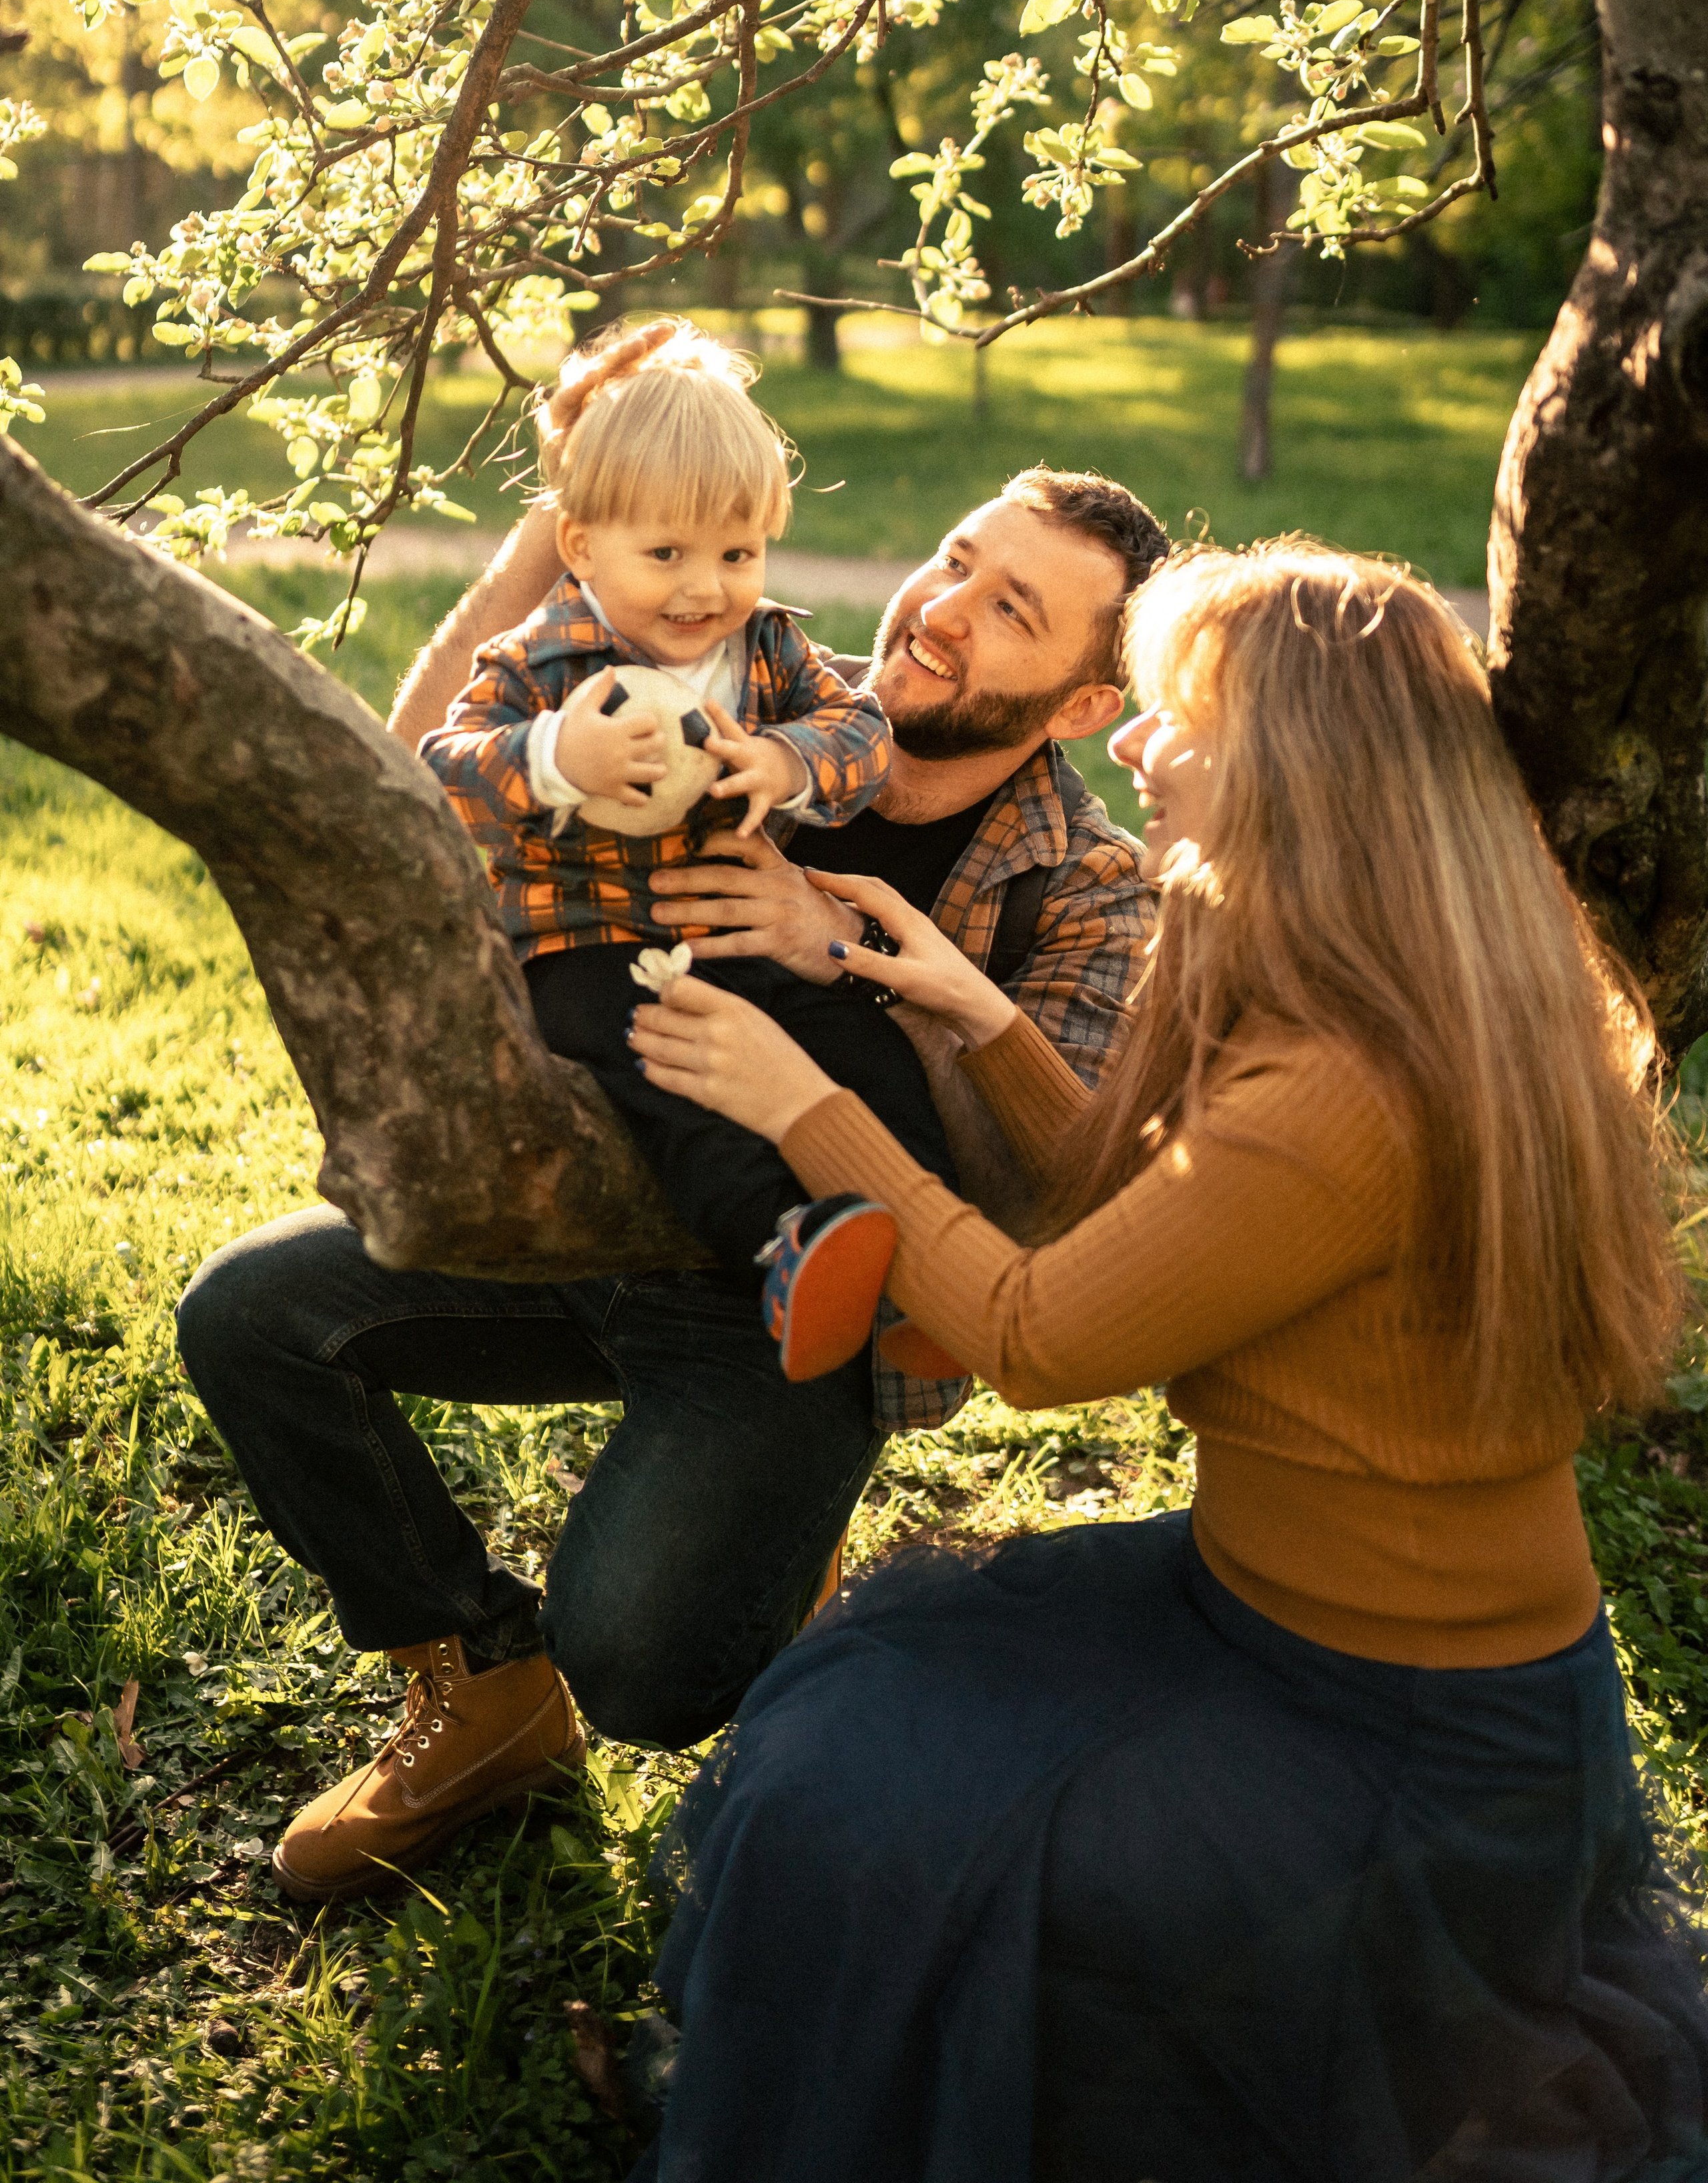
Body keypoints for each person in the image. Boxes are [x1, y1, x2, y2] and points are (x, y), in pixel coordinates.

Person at [624, 541, 1708, 2182]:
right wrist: (973, 1013)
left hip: (1391, 1731)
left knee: (873, 1806)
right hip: (1257, 1611)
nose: (1129, 741)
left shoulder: (1349, 1093)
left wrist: (798, 1104)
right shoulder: (1382, 990)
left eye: (1176, 710)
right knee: (861, 1710)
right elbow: (1160, 1220)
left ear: (1295, 763)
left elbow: (1042, 1336)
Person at [173, 453, 1166, 1905]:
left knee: (643, 1666)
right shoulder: (763, 687)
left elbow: (1044, 1183)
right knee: (251, 1319)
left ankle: (774, 1547)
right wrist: (560, 521)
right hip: (577, 1220)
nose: (940, 610)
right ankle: (485, 1697)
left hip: (795, 1310)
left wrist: (855, 964)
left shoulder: (1082, 882)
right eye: (953, 557)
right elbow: (420, 781)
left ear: (1085, 704)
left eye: (1009, 610)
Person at [418, 314, 957, 1373]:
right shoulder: (540, 662)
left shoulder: (767, 649)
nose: (704, 587)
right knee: (670, 1086)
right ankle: (785, 1251)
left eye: (736, 552)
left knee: (868, 1052)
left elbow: (863, 732)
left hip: (739, 933)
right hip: (589, 952)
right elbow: (443, 770)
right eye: (664, 553)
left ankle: (935, 1262)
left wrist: (788, 761)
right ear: (581, 546)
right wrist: (555, 754)